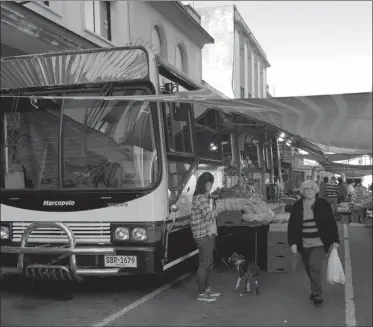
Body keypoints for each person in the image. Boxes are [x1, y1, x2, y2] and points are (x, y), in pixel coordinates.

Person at [288, 180, 340, 306]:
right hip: (303, 243)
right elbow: (292, 225)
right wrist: (293, 243)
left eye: (312, 188)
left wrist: (335, 240)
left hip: (320, 243)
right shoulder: (297, 205)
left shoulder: (323, 204)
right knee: (309, 268)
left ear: (316, 190)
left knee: (314, 265)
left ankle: (317, 294)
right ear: (303, 191)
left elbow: (331, 223)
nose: (309, 190)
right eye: (306, 188)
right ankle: (314, 288)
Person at [191, 172, 225, 302]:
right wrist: (220, 208)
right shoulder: (200, 198)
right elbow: (209, 216)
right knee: (205, 263)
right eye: (208, 183)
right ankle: (201, 292)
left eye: (211, 183)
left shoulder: (205, 197)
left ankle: (206, 289)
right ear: (203, 184)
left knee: (208, 263)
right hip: (203, 235)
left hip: (208, 233)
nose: (210, 186)